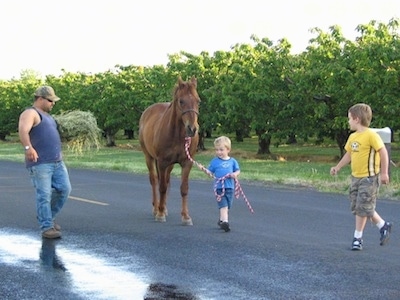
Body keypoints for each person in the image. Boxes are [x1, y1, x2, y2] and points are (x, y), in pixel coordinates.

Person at [330, 103, 392, 250]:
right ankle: (383, 225)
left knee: (362, 207)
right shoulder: (353, 137)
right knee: (358, 207)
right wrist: (337, 167)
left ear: (357, 119)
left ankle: (357, 238)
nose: (348, 121)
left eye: (349, 119)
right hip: (355, 177)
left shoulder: (371, 135)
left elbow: (383, 153)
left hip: (369, 178)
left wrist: (384, 173)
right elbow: (349, 154)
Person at [18, 86, 71, 239]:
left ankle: (47, 217)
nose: (52, 103)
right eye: (50, 100)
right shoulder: (30, 113)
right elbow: (23, 130)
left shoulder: (48, 116)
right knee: (44, 194)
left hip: (57, 161)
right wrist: (28, 147)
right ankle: (46, 226)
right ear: (40, 98)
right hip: (40, 163)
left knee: (64, 189)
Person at [207, 136, 240, 232]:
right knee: (223, 205)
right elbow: (210, 172)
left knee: (228, 205)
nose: (219, 152)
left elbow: (237, 170)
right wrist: (207, 171)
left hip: (230, 187)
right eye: (217, 150)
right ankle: (225, 222)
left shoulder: (232, 161)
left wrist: (234, 174)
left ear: (228, 149)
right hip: (219, 188)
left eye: (221, 150)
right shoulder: (214, 161)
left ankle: (221, 219)